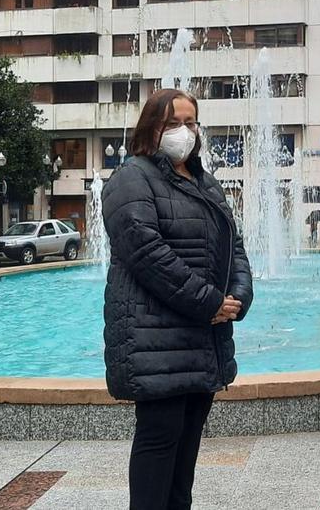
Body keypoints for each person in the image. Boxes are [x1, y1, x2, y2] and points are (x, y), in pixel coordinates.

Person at [100, 89, 253, 510]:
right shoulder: (130, 179)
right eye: (172, 123)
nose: (184, 131)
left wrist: (239, 294)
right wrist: (209, 302)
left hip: (203, 339)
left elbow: (233, 246)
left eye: (190, 121)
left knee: (185, 452)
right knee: (159, 441)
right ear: (151, 128)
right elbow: (147, 254)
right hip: (156, 341)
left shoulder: (205, 183)